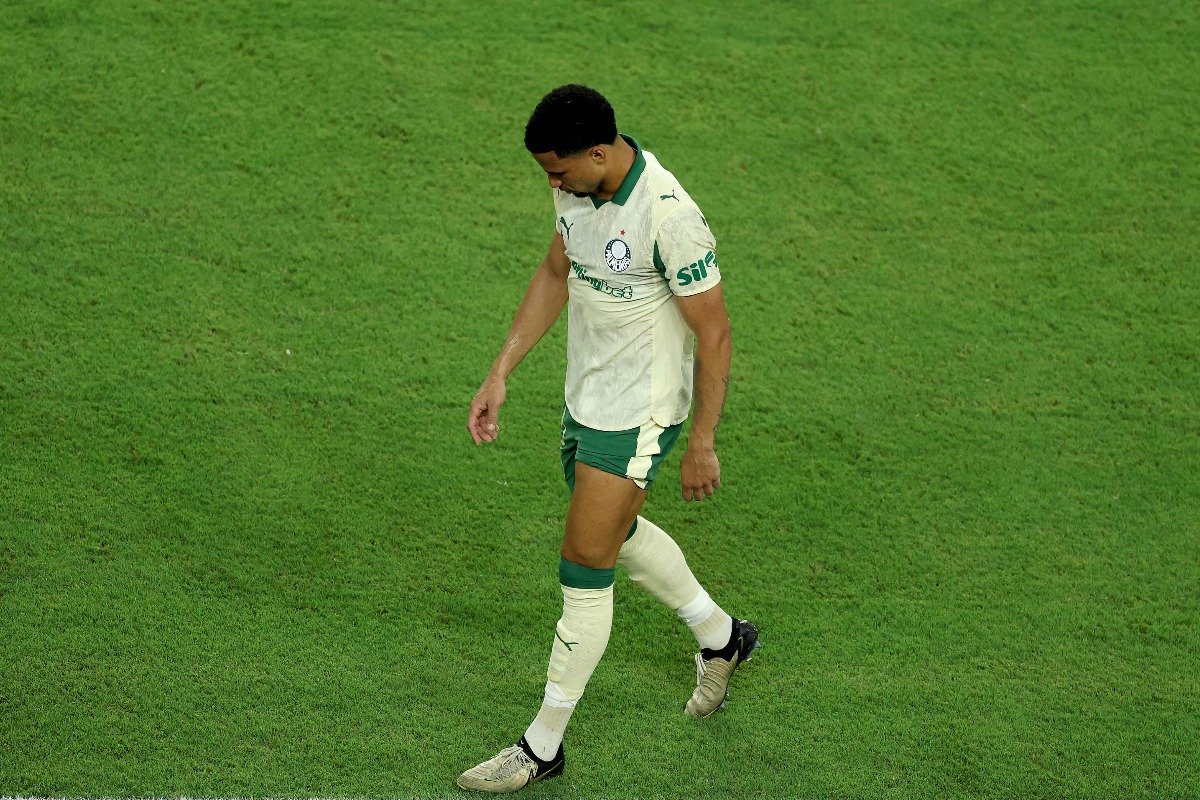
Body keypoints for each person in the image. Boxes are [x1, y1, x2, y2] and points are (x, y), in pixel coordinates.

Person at [458, 84, 758, 794]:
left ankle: (543, 746)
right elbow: (557, 270)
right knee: (614, 536)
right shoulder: (576, 190)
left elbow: (714, 333)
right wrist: (500, 371)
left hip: (639, 415)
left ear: (599, 153)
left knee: (583, 566)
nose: (551, 185)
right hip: (585, 400)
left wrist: (702, 442)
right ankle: (722, 636)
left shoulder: (670, 217)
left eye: (558, 172)